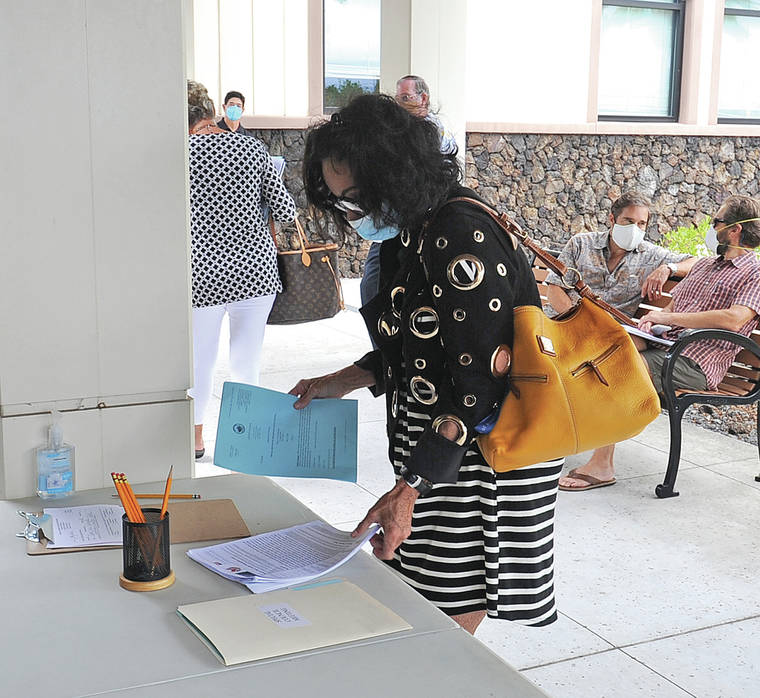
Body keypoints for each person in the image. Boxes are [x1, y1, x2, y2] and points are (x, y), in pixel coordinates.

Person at [292, 94, 564, 635]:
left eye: (356, 197)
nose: (352, 213)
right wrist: (340, 381)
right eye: (341, 202)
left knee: (446, 603)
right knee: (420, 588)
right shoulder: (414, 230)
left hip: (479, 447)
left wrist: (410, 487)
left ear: (395, 174)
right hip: (442, 443)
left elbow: (479, 382)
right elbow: (416, 346)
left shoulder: (458, 232)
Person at [559, 195, 760, 492]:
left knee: (617, 368)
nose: (711, 227)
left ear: (734, 230)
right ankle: (565, 432)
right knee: (600, 350)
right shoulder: (704, 266)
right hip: (666, 344)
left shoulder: (754, 273)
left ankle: (602, 465)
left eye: (715, 222)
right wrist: (651, 323)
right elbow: (672, 307)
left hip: (695, 361)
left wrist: (669, 318)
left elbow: (734, 319)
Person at [187, 81, 295, 459]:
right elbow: (285, 211)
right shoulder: (253, 148)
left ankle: (195, 439)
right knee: (246, 362)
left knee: (199, 363)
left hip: (201, 276)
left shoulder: (180, 156)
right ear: (211, 111)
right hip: (255, 273)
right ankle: (244, 442)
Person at [359, 76, 455, 313]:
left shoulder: (433, 131)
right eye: (397, 99)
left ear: (423, 98)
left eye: (405, 98)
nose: (399, 105)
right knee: (371, 288)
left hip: (420, 225)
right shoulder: (398, 130)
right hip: (393, 224)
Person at [544, 190, 696, 319]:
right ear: (612, 219)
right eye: (628, 221)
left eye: (641, 223)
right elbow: (555, 288)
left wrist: (668, 268)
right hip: (561, 319)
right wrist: (577, 321)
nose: (634, 229)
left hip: (607, 334)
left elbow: (697, 262)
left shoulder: (651, 255)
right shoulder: (581, 243)